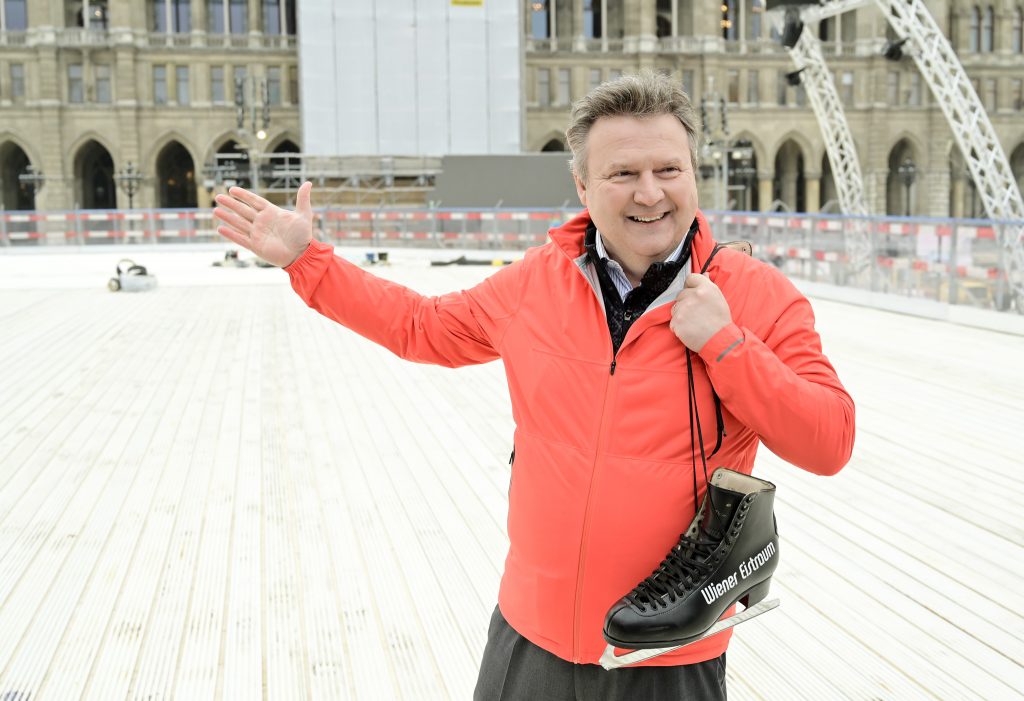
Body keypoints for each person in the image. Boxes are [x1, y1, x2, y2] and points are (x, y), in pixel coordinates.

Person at [213, 71, 855, 701]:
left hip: (669, 652)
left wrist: (726, 344)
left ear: (693, 174)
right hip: (531, 636)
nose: (650, 193)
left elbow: (829, 441)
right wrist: (308, 262)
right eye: (623, 173)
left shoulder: (755, 294)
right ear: (583, 186)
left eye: (669, 169)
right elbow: (420, 326)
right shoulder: (535, 283)